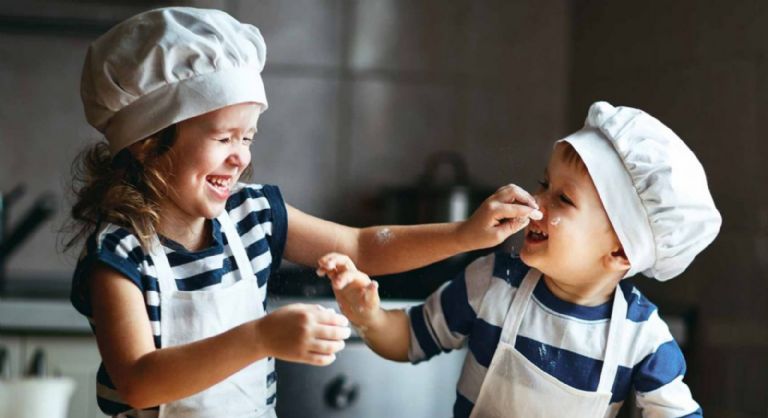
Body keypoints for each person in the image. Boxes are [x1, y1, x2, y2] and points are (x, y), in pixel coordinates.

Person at [64, 7, 545, 418]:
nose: (241, 157)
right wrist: (259, 338)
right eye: (224, 137)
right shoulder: (120, 253)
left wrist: (464, 234)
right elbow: (138, 381)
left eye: (248, 137)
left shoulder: (254, 215)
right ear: (150, 142)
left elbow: (361, 246)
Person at [318, 101, 721, 417]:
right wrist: (369, 317)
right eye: (544, 183)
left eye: (562, 198)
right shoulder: (493, 282)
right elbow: (410, 339)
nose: (535, 202)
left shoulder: (643, 339)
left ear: (619, 251)